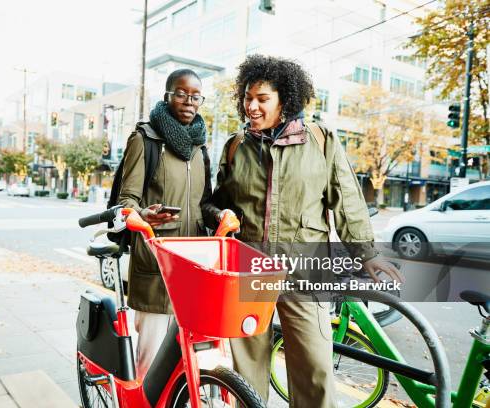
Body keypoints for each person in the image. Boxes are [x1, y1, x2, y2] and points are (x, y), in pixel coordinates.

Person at [203, 54, 403, 407]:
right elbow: (214, 203)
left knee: (315, 369)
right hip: (249, 271)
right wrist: (221, 215)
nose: (252, 106)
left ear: (285, 100)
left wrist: (367, 255)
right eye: (248, 98)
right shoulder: (236, 147)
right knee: (246, 370)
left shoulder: (321, 141)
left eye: (262, 99)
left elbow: (348, 202)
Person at [117, 68, 211, 377]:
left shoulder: (201, 148)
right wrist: (143, 215)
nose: (188, 102)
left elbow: (204, 203)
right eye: (181, 94)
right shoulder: (145, 139)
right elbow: (126, 199)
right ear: (167, 96)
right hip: (155, 265)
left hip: (193, 267)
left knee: (189, 364)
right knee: (151, 363)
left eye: (195, 96)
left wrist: (220, 214)